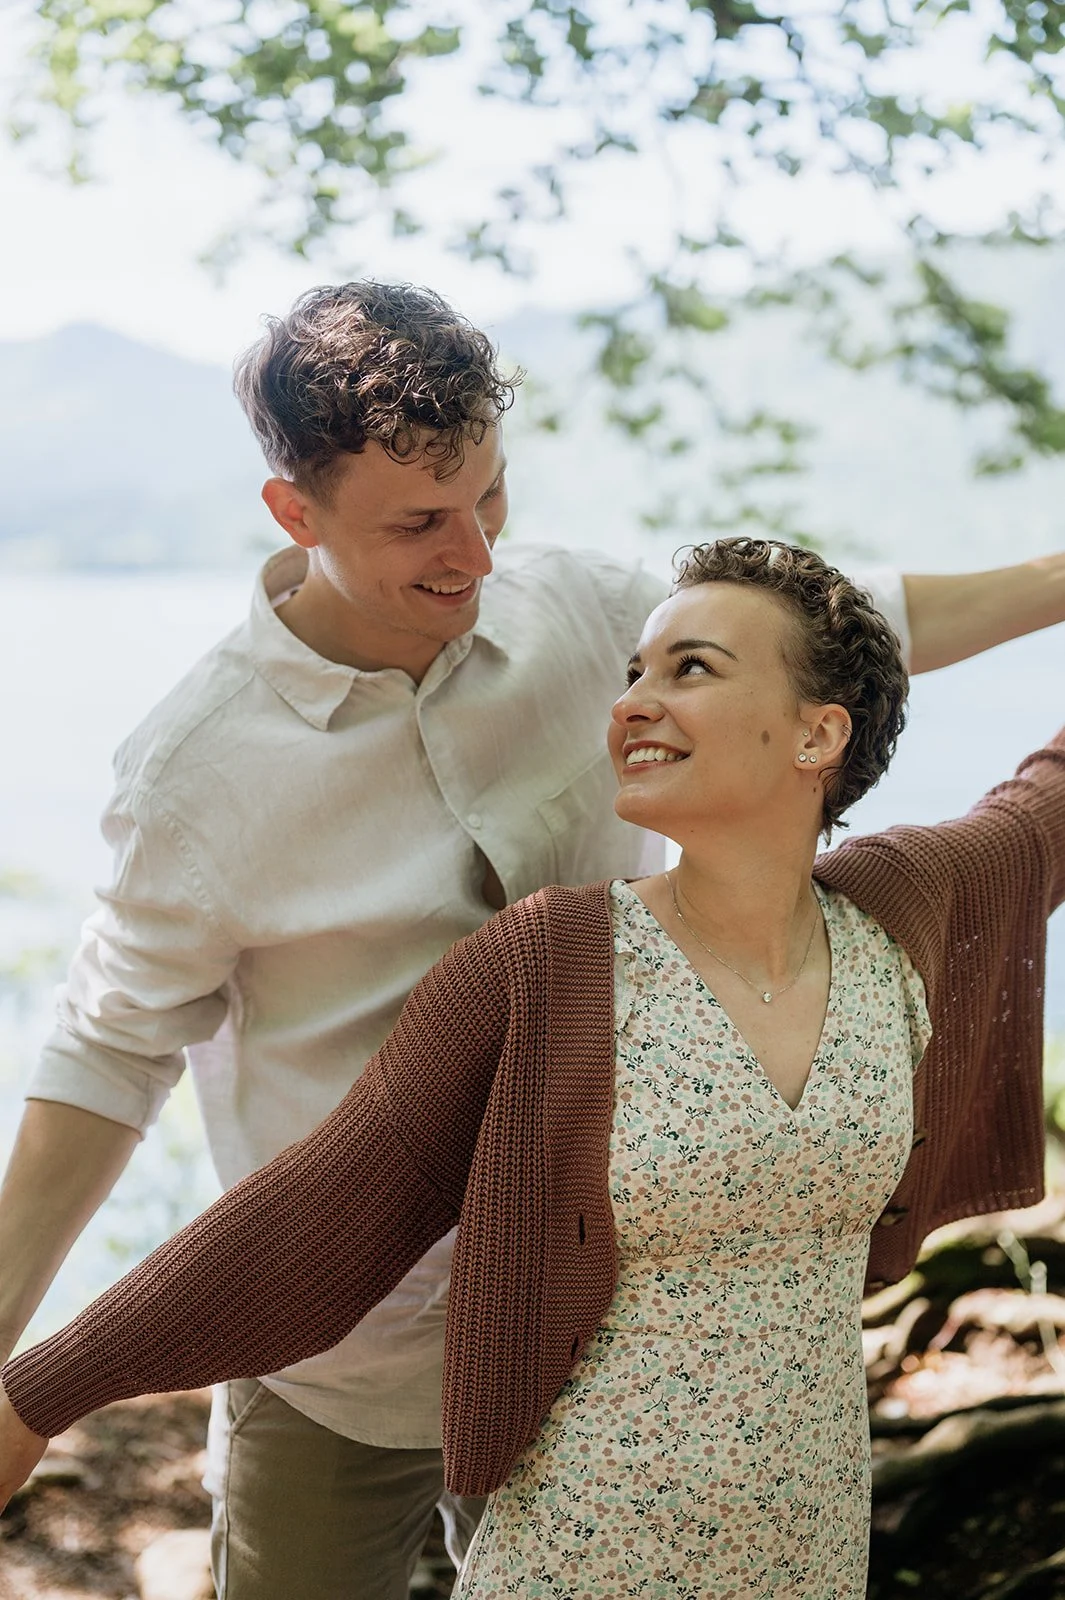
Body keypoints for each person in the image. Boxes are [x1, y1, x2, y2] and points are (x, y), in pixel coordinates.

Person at [0, 283, 1062, 1600]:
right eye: (421, 525)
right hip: (342, 1353)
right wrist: (11, 1372)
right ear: (295, 514)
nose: (477, 555)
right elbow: (108, 1055)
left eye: (491, 500)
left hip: (592, 1336)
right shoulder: (194, 773)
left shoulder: (578, 613)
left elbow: (835, 642)